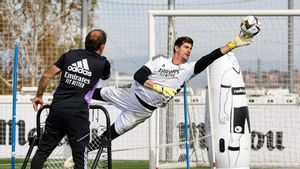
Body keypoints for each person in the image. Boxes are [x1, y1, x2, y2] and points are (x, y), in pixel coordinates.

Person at [80, 33, 254, 154]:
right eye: (186, 46)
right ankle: (67, 99)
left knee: (108, 136)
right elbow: (139, 76)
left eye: (191, 48)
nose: (189, 50)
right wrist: (158, 88)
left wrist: (232, 44)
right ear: (176, 47)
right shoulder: (159, 60)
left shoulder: (188, 69)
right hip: (130, 94)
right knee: (89, 93)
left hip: (140, 112)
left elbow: (208, 58)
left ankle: (80, 153)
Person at [30, 29, 111, 169]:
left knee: (42, 151)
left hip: (57, 109)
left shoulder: (70, 55)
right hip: (77, 114)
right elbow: (105, 76)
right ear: (102, 46)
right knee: (80, 157)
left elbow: (46, 76)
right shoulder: (103, 63)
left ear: (85, 42)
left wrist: (39, 96)